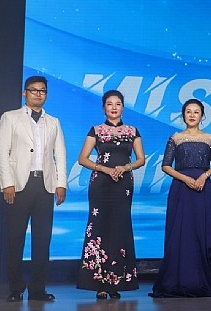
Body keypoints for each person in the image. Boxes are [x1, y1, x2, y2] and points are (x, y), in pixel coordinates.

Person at [0, 75, 67, 302]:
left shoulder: (53, 121)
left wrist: (61, 183)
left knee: (42, 240)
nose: (38, 94)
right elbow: (0, 152)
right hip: (19, 185)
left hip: (44, 185)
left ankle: (38, 289)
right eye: (34, 90)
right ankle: (15, 288)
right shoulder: (10, 117)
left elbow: (60, 155)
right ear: (25, 93)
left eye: (42, 90)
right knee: (15, 238)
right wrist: (7, 183)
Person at [150, 99, 211, 298]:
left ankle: (202, 278)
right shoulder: (175, 138)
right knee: (180, 232)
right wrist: (185, 178)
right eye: (188, 112)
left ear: (202, 116)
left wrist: (203, 176)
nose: (192, 115)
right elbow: (166, 166)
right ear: (183, 115)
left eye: (196, 112)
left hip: (203, 189)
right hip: (181, 189)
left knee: (202, 231)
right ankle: (177, 278)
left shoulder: (210, 138)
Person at [76, 90, 145, 300]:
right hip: (100, 184)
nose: (114, 107)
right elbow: (82, 158)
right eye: (109, 104)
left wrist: (125, 167)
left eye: (118, 104)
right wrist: (105, 169)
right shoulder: (96, 130)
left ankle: (116, 282)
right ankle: (99, 284)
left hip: (123, 184)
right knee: (98, 228)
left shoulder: (132, 131)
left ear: (123, 107)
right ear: (103, 107)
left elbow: (141, 159)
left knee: (119, 229)